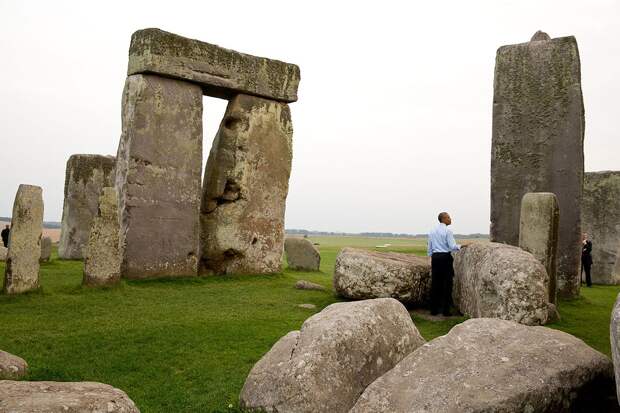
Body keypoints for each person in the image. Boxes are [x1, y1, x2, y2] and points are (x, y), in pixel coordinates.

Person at [427, 212, 464, 316]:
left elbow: (429, 248)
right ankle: (446, 311)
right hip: (445, 257)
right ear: (443, 219)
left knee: (435, 283)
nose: (450, 219)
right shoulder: (448, 231)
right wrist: (463, 245)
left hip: (435, 257)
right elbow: (452, 246)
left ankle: (434, 310)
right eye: (448, 217)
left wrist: (431, 258)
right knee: (447, 284)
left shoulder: (432, 231)